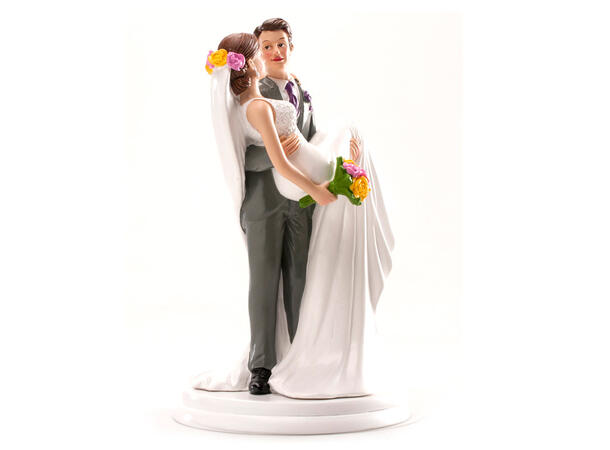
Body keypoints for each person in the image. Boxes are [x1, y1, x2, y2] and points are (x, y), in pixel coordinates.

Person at [194, 29, 393, 399]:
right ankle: (261, 364)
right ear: (253, 58)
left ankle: (304, 356)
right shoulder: (251, 98)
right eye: (265, 47)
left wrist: (334, 161)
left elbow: (309, 138)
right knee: (264, 279)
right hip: (264, 196)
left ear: (290, 46)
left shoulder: (298, 88)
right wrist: (280, 157)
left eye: (280, 44)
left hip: (298, 196)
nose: (273, 52)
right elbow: (249, 148)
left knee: (301, 274)